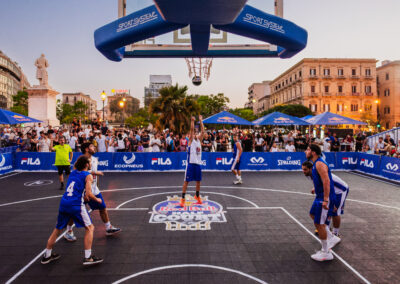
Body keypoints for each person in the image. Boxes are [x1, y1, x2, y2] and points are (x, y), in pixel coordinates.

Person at [41, 155, 103, 266]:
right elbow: (89, 194)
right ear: (86, 165)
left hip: (64, 203)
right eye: (88, 162)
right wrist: (97, 199)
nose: (90, 164)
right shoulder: (87, 175)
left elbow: (76, 166)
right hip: (75, 204)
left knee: (57, 229)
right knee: (90, 228)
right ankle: (88, 257)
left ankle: (47, 255)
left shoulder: (73, 172)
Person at [64, 143, 121, 242]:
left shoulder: (95, 159)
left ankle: (108, 228)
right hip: (82, 191)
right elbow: (75, 173)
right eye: (91, 146)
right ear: (86, 149)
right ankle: (68, 231)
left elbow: (95, 176)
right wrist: (93, 173)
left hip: (94, 189)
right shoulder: (80, 160)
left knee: (102, 208)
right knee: (74, 212)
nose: (94, 148)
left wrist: (96, 186)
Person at [304, 144, 339, 261]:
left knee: (319, 223)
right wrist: (316, 188)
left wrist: (325, 199)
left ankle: (326, 252)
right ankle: (331, 237)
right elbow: (321, 180)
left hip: (324, 198)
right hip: (319, 196)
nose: (305, 151)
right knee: (312, 214)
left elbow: (327, 181)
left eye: (308, 149)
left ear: (313, 152)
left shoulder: (319, 163)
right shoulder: (315, 164)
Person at [302, 161, 349, 238]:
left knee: (335, 212)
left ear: (311, 169)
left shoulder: (319, 174)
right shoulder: (308, 174)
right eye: (303, 169)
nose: (303, 172)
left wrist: (332, 203)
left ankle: (335, 233)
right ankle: (325, 227)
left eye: (305, 169)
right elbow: (318, 183)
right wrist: (315, 188)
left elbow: (328, 186)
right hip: (330, 189)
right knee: (322, 209)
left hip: (340, 190)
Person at [180, 116, 205, 207]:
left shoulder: (199, 140)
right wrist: (192, 121)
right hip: (190, 164)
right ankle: (182, 198)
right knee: (186, 182)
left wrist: (201, 121)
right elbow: (191, 129)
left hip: (198, 164)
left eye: (196, 133)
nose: (195, 134)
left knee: (198, 181)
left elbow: (203, 131)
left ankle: (197, 196)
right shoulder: (190, 141)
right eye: (194, 133)